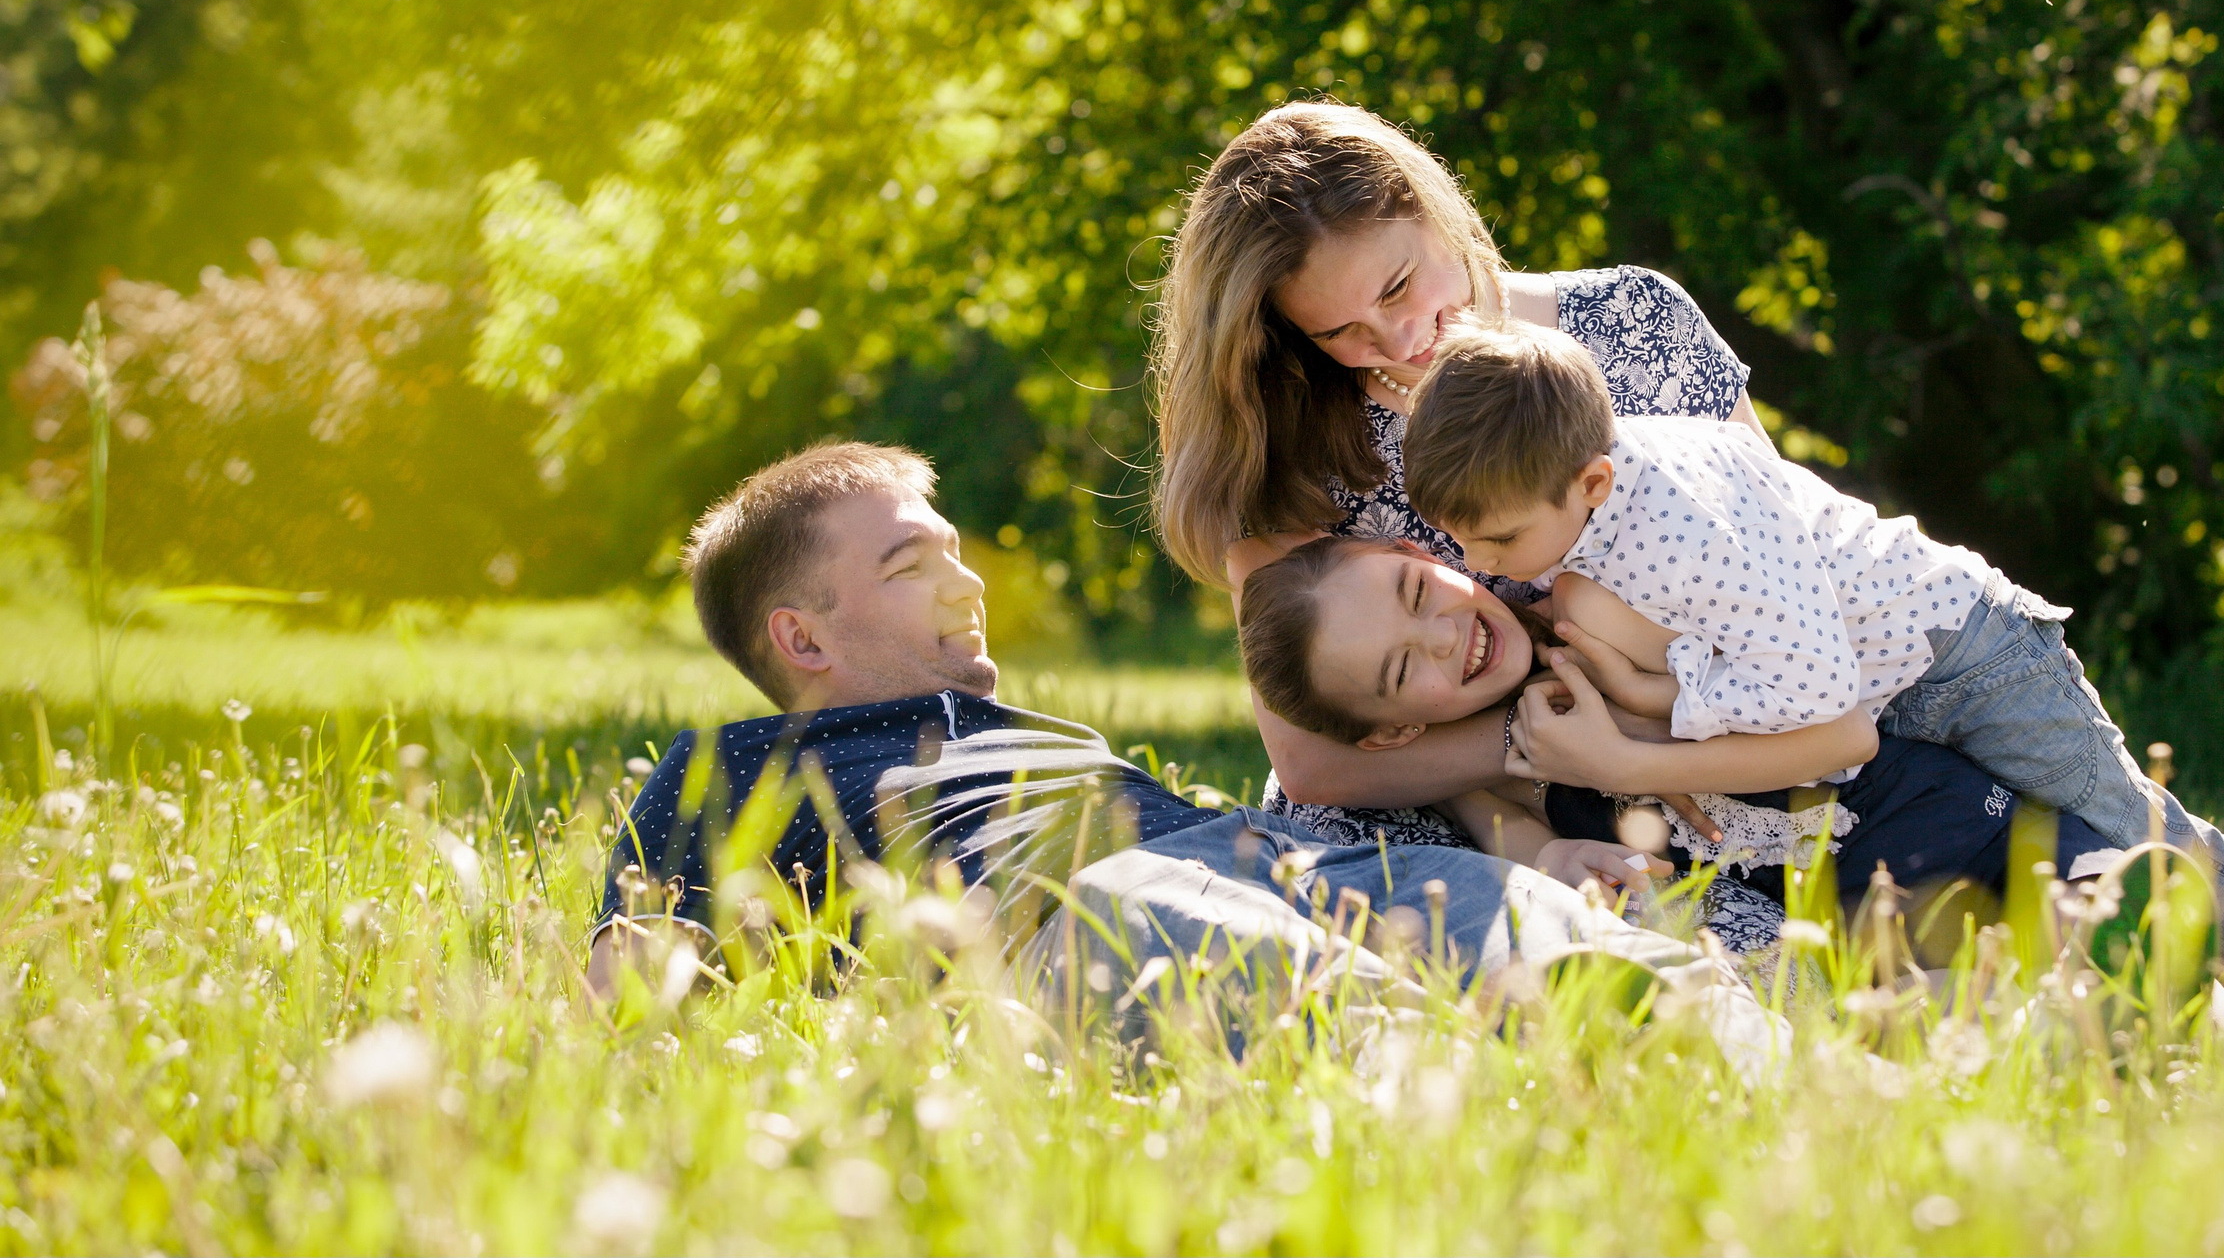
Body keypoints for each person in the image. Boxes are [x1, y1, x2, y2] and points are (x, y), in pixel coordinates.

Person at [584, 440, 1782, 1068]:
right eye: (912, 567)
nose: (968, 581)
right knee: (1282, 986)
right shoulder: (730, 762)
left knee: (1557, 945)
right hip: (1074, 909)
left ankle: (1753, 1074)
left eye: (955, 550)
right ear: (801, 636)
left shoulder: (1041, 737)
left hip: (1281, 854)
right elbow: (633, 982)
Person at [1373, 317, 2224, 982]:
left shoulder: (1678, 535)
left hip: (1967, 655)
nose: (1480, 563)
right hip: (1887, 665)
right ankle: (2220, 985)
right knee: (2088, 851)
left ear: (1589, 485)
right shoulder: (1597, 499)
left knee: (2118, 820)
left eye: (1498, 540)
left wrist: (1642, 718)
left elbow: (1826, 717)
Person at [1148, 98, 1771, 862]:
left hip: (1728, 743)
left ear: (1431, 209)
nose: (1402, 338)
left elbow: (1791, 554)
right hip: (1448, 804)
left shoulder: (1638, 324)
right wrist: (1541, 751)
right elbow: (1317, 761)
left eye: (1399, 285)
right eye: (1339, 331)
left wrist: (1648, 744)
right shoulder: (1288, 447)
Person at [1236, 533, 2123, 929]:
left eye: (1417, 592)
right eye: (1403, 671)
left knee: (2147, 943)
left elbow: (1837, 727)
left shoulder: (1596, 619)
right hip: (1890, 934)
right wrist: (1547, 856)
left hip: (1980, 833)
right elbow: (1494, 813)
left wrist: (1626, 746)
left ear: (1428, 555)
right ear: (1392, 734)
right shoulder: (1485, 763)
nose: (1444, 636)